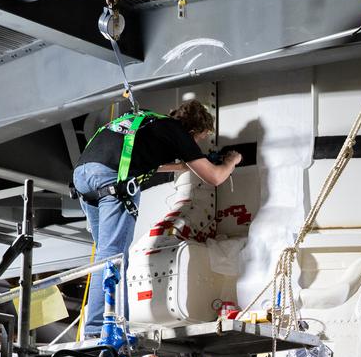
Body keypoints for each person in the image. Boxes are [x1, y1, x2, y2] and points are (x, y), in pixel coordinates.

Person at [72, 99, 243, 338]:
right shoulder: (179, 133)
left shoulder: (150, 122)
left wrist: (181, 168)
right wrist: (230, 162)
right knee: (114, 258)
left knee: (106, 257)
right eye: (200, 138)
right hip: (112, 180)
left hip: (84, 177)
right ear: (193, 130)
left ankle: (106, 324)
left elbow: (145, 161)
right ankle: (101, 329)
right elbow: (214, 177)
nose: (197, 144)